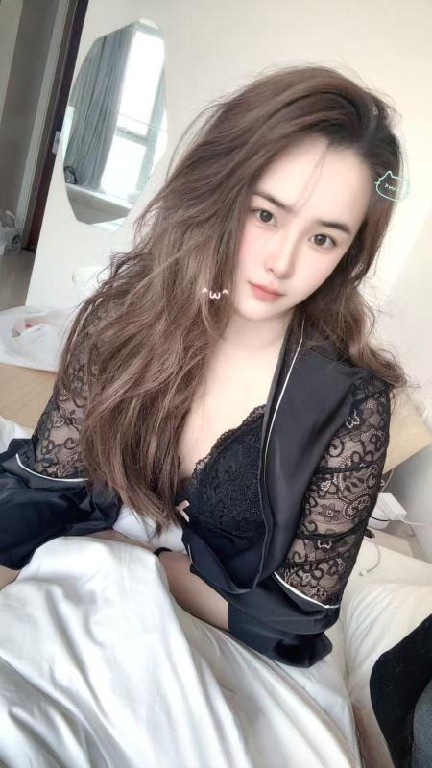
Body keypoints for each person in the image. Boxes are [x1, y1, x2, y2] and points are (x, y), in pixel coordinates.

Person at [0, 64, 410, 669]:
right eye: (265, 215)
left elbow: (294, 617)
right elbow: (46, 484)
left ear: (348, 256)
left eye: (323, 238)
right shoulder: (124, 318)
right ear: (219, 192)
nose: (281, 262)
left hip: (219, 642)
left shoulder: (350, 406)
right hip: (79, 575)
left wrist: (152, 567)